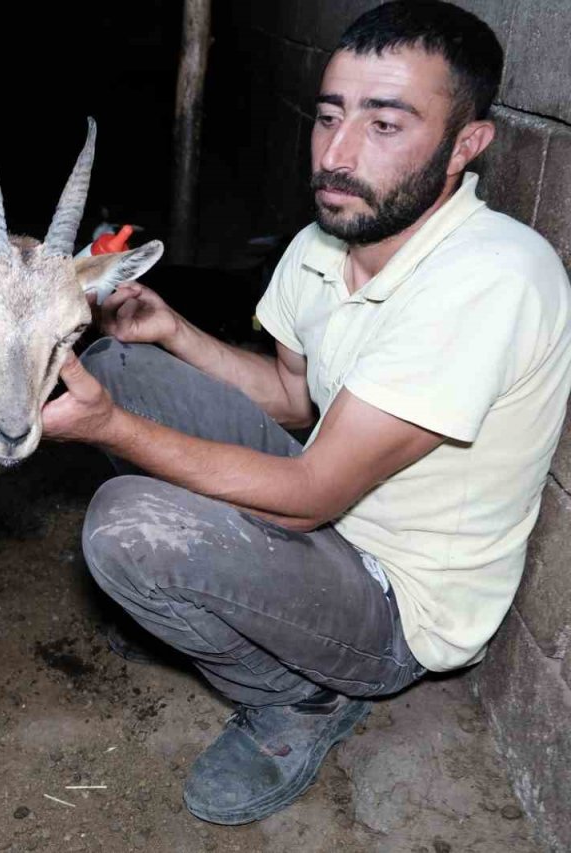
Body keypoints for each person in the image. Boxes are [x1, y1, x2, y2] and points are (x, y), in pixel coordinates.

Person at [40, 0, 571, 826]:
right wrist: (173, 330)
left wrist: (112, 428)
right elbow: (293, 399)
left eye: (386, 125)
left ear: (468, 144)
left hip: (395, 600)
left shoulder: (491, 276)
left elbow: (315, 490)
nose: (337, 154)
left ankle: (302, 695)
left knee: (127, 527)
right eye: (329, 117)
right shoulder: (328, 243)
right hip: (326, 512)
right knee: (121, 363)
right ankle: (234, 607)